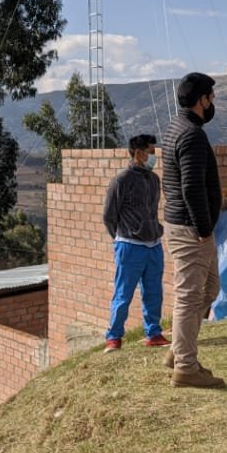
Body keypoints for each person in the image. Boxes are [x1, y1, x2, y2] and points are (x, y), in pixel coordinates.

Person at [159, 72, 225, 388]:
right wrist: (202, 230)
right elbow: (192, 188)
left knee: (210, 287)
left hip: (185, 225)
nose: (213, 104)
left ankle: (178, 349)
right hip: (190, 229)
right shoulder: (192, 135)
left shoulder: (177, 127)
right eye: (211, 98)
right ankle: (186, 367)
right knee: (188, 296)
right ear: (202, 100)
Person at [101, 134, 171, 352]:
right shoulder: (121, 180)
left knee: (153, 292)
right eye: (151, 152)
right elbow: (108, 215)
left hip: (153, 246)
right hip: (129, 247)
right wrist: (121, 238)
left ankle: (154, 333)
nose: (154, 157)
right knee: (123, 293)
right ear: (139, 153)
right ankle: (114, 338)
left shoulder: (153, 180)